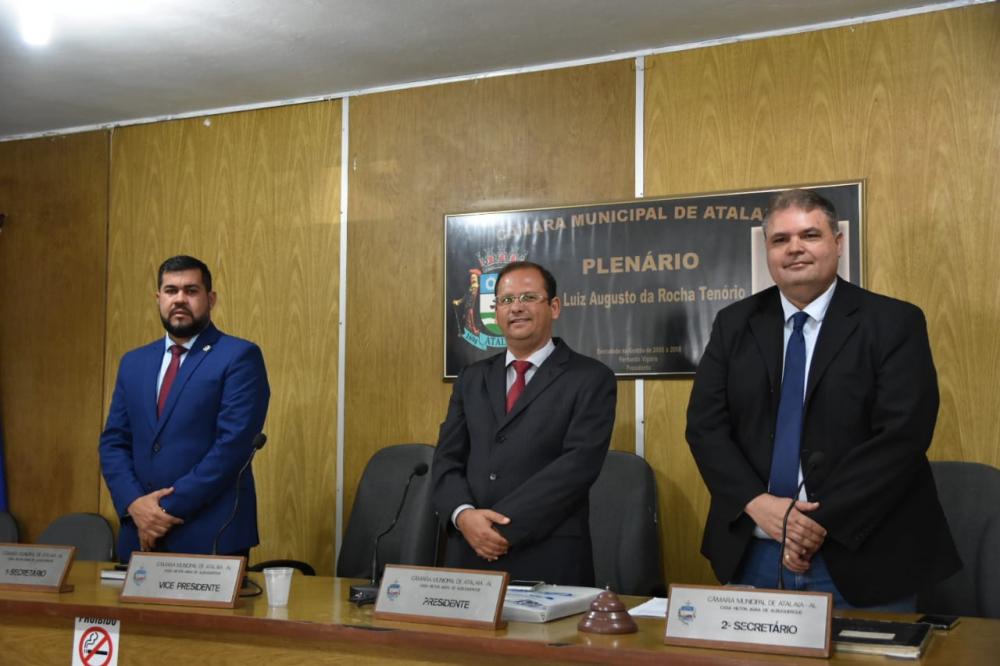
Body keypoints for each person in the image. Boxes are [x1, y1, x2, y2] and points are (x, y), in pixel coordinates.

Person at [686, 189, 960, 609]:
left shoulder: (893, 322)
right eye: (780, 240)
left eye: (809, 235)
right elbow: (705, 427)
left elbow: (903, 434)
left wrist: (814, 523)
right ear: (767, 251)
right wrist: (757, 504)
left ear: (837, 243)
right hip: (754, 549)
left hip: (864, 553)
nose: (794, 248)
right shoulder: (733, 323)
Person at [432, 261, 616, 586]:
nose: (516, 308)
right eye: (505, 300)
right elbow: (447, 459)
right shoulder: (472, 378)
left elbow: (577, 467)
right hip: (469, 554)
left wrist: (499, 527)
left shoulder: (590, 378)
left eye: (529, 297)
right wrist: (464, 517)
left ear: (554, 307)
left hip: (548, 557)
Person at [100, 255, 270, 560]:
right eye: (171, 290)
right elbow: (113, 443)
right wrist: (135, 505)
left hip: (210, 536)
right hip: (138, 534)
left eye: (191, 291)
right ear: (158, 298)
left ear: (211, 298)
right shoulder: (133, 362)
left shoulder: (239, 356)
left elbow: (232, 447)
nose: (179, 299)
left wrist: (161, 511)